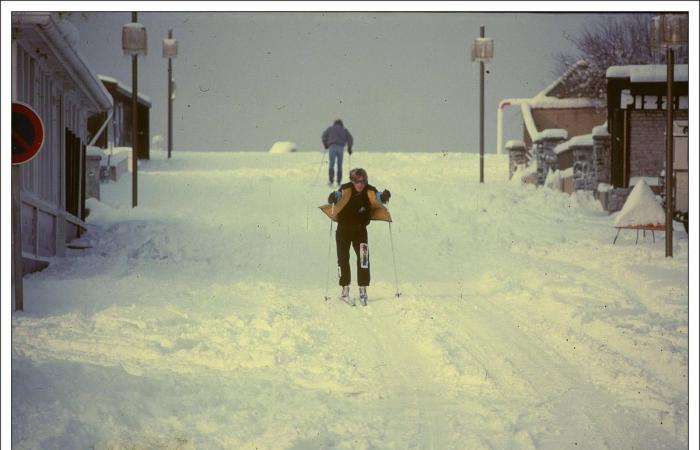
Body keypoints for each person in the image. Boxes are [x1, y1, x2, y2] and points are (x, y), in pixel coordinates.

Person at [321, 168, 391, 305]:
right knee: (343, 258)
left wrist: (383, 197)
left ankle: (363, 290)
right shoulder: (345, 189)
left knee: (363, 259)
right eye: (357, 181)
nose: (360, 184)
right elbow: (336, 195)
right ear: (352, 181)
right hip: (343, 230)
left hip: (360, 231)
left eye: (363, 181)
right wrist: (332, 198)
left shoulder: (369, 190)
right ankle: (345, 289)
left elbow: (378, 196)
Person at [321, 119, 354, 187]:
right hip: (340, 148)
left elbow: (324, 135)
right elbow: (350, 138)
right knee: (339, 164)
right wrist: (349, 148)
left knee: (331, 163)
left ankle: (331, 180)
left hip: (332, 147)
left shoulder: (330, 129)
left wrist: (325, 144)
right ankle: (339, 181)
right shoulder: (344, 130)